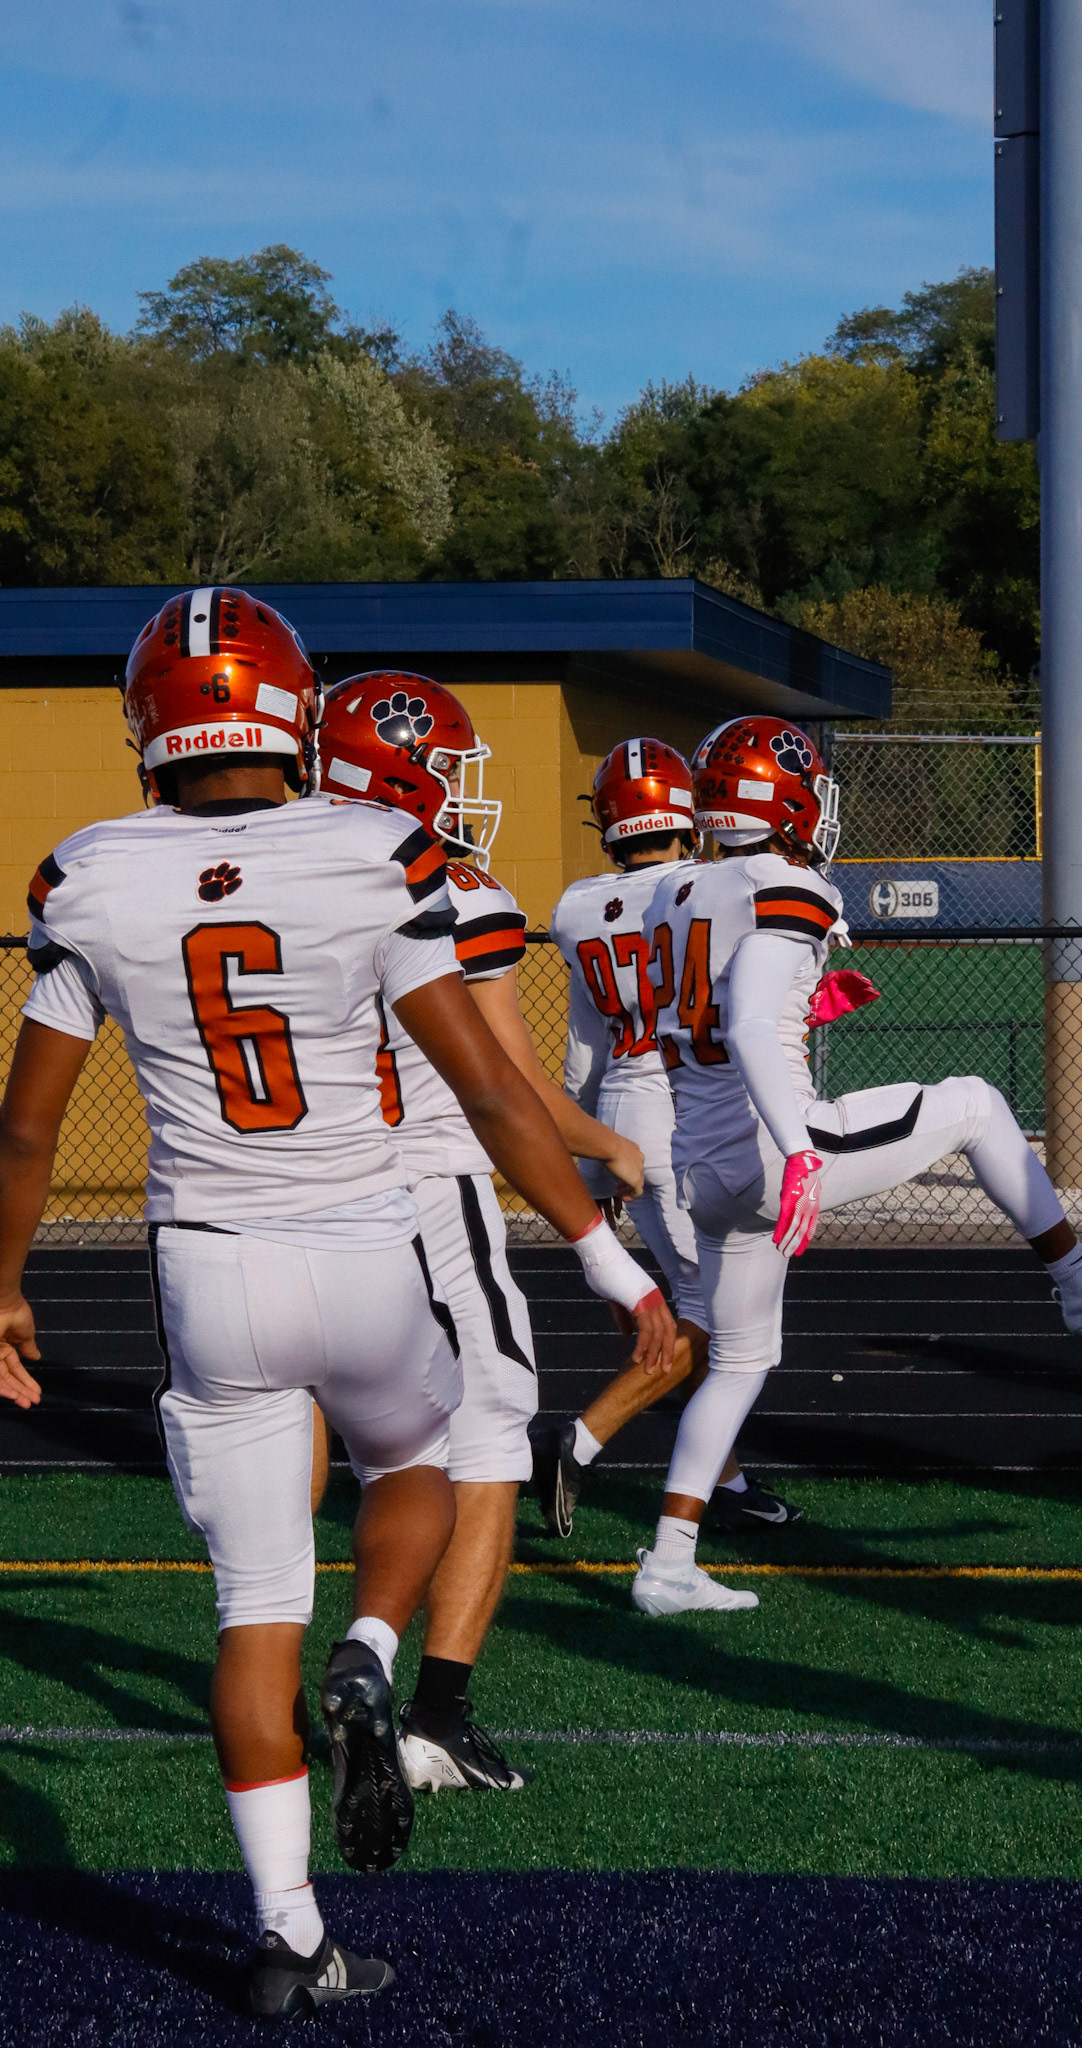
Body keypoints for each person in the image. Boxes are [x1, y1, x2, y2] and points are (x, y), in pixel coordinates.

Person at [0, 588, 675, 2018]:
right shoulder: (377, 852)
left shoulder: (90, 876)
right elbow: (490, 1090)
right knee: (418, 1462)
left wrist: (0, 1287)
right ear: (293, 713)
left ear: (146, 725)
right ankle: (373, 1651)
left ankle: (288, 1938)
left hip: (208, 1267)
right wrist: (609, 1264)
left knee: (252, 1611)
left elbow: (25, 1133)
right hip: (367, 1244)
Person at [631, 712, 1082, 1617]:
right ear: (782, 799)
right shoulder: (789, 881)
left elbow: (715, 1009)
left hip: (700, 1164)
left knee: (738, 1364)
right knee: (976, 1103)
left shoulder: (672, 891)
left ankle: (667, 1565)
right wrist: (800, 1148)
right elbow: (746, 1023)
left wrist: (809, 1001)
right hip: (773, 1148)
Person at [315, 673, 648, 1795]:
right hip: (430, 1189)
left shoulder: (285, 863)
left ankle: (279, 1683)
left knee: (327, 1444)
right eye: (445, 767)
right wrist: (613, 1150)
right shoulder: (451, 886)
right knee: (491, 1436)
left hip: (305, 1198)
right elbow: (508, 1084)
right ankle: (436, 1716)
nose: (459, 791)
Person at [538, 737, 803, 1538]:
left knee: (697, 1305)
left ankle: (725, 1481)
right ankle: (582, 1438)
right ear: (687, 815)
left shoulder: (577, 908)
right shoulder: (708, 888)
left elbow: (583, 1053)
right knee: (717, 1314)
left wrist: (592, 1174)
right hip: (687, 1106)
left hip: (620, 1108)